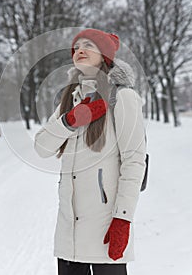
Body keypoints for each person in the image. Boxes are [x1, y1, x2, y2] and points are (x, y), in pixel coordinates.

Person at [34, 28, 146, 275]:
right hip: (68, 234)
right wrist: (70, 121)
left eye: (89, 45)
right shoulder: (69, 99)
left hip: (105, 229)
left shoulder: (123, 97)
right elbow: (41, 147)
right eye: (77, 46)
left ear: (105, 55)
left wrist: (123, 220)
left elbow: (134, 160)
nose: (80, 50)